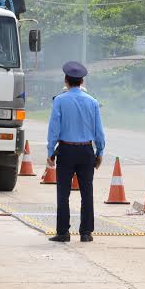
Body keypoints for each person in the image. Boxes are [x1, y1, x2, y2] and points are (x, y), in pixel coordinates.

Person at [46, 61, 106, 243]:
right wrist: (100, 152)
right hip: (87, 151)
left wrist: (50, 151)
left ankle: (63, 232)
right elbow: (99, 131)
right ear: (82, 82)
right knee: (87, 193)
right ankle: (86, 233)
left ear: (66, 80)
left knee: (63, 194)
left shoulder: (59, 101)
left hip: (66, 150)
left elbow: (54, 129)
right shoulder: (93, 102)